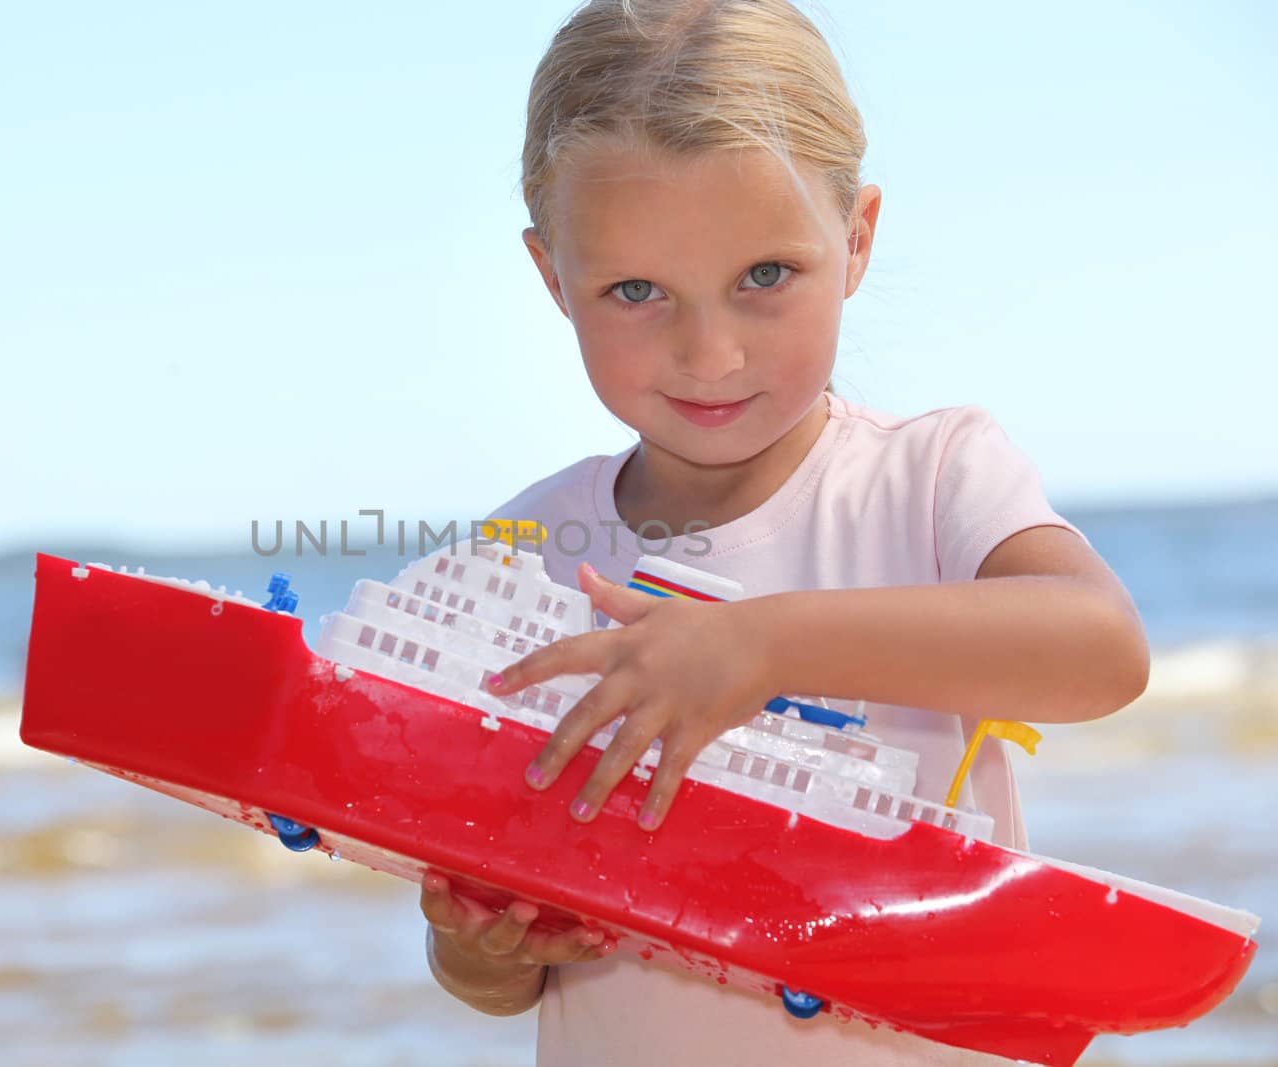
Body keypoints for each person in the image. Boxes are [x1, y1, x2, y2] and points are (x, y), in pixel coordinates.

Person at [418, 0, 1152, 1063]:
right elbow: (491, 975)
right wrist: (481, 940)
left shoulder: (929, 478)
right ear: (552, 280)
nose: (708, 353)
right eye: (635, 291)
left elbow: (1101, 651)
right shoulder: (524, 551)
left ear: (853, 240)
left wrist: (756, 646)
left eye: (765, 276)